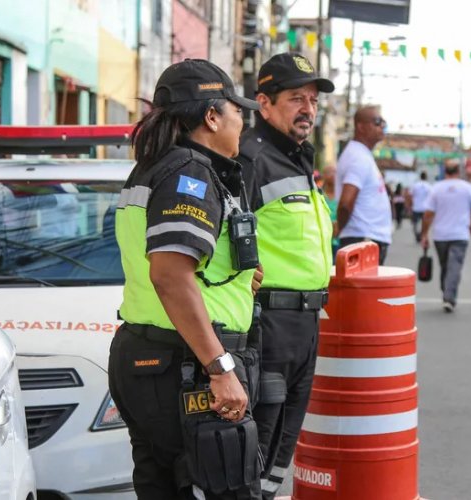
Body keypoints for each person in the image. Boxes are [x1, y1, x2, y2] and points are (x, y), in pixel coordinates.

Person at [108, 59, 262, 499]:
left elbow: (185, 266)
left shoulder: (157, 167)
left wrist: (239, 280)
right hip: (188, 364)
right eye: (238, 112)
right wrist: (219, 367)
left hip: (154, 358)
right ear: (212, 116)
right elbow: (171, 276)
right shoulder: (189, 172)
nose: (242, 124)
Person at [235, 52, 335, 498]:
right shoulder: (250, 159)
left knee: (281, 451)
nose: (308, 110)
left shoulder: (297, 161)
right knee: (254, 448)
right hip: (267, 326)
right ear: (264, 103)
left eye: (312, 101)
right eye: (297, 98)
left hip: (305, 326)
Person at [420, 160, 471, 312]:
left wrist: (424, 233)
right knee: (453, 267)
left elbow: (428, 214)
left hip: (440, 235)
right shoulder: (467, 188)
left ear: (444, 171)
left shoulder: (436, 188)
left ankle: (448, 296)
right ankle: (448, 293)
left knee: (446, 266)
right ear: (459, 171)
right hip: (460, 234)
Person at [336, 106, 393, 263]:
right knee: (363, 288)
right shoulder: (357, 156)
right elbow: (346, 203)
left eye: (383, 122)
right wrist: (340, 229)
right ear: (360, 126)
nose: (382, 126)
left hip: (365, 239)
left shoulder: (362, 154)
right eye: (377, 122)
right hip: (362, 241)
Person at [322, 165, 341, 257]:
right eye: (329, 172)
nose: (333, 175)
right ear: (323, 175)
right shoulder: (319, 194)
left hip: (338, 240)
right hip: (323, 240)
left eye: (335, 172)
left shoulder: (342, 195)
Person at [409, 171, 432, 243]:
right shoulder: (429, 186)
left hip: (416, 207)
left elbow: (410, 195)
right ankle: (422, 235)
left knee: (415, 223)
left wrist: (411, 204)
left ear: (420, 177)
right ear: (426, 177)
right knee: (424, 223)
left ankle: (417, 235)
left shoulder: (415, 185)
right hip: (425, 208)